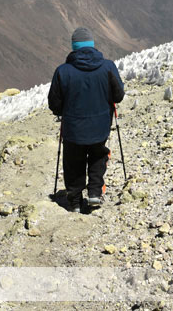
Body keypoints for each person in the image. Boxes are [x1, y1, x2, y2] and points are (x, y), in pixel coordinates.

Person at [48, 27, 125, 213]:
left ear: (74, 46)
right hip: (100, 126)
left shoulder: (63, 71)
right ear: (92, 44)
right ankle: (94, 193)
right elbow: (119, 95)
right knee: (98, 156)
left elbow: (54, 103)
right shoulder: (108, 67)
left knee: (73, 162)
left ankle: (74, 201)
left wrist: (62, 111)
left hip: (73, 128)